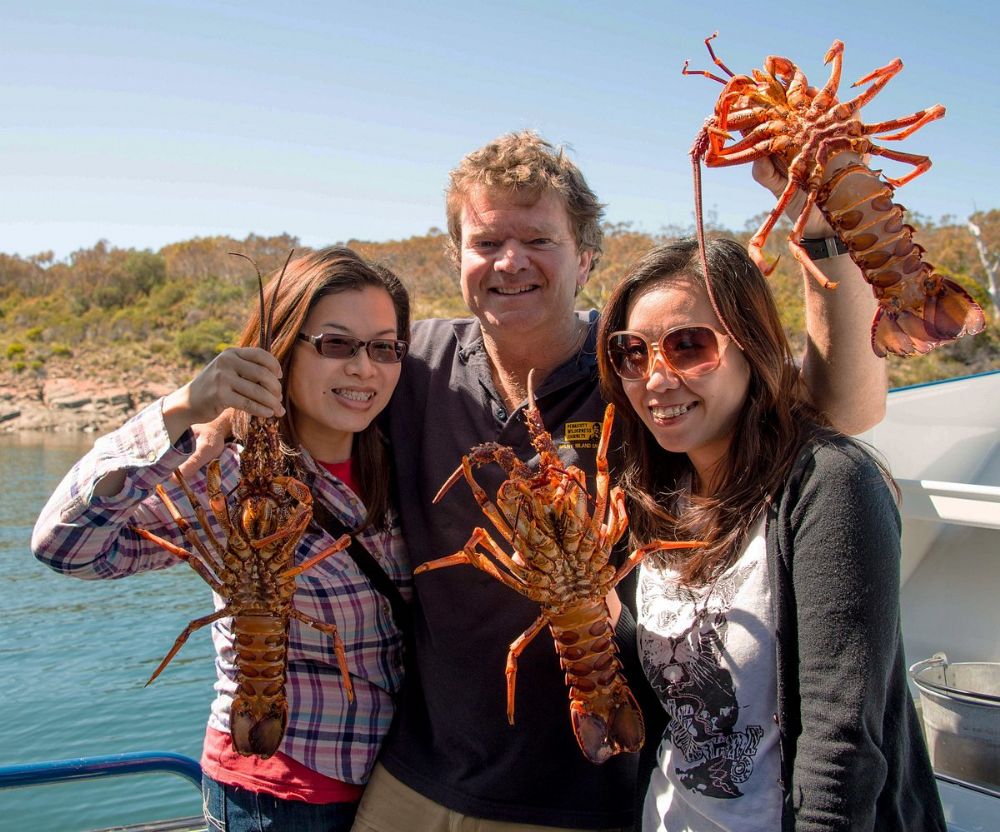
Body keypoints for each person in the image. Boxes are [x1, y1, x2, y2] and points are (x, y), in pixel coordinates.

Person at [348, 131, 889, 832]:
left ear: (587, 256)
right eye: (486, 242)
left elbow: (833, 413)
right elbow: (312, 389)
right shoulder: (408, 363)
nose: (510, 261)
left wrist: (824, 233)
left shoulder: (639, 369)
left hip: (594, 791)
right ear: (457, 258)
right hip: (418, 774)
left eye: (539, 239)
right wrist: (223, 407)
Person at [31, 247, 412, 832]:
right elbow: (65, 547)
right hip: (280, 796)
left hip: (398, 789)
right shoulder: (222, 476)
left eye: (384, 347)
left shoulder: (404, 463)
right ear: (282, 350)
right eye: (337, 344)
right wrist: (185, 407)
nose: (364, 367)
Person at [595, 237, 945, 831]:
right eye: (632, 352)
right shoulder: (649, 501)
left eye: (689, 346)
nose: (655, 378)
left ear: (751, 346)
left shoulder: (829, 484)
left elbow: (843, 745)